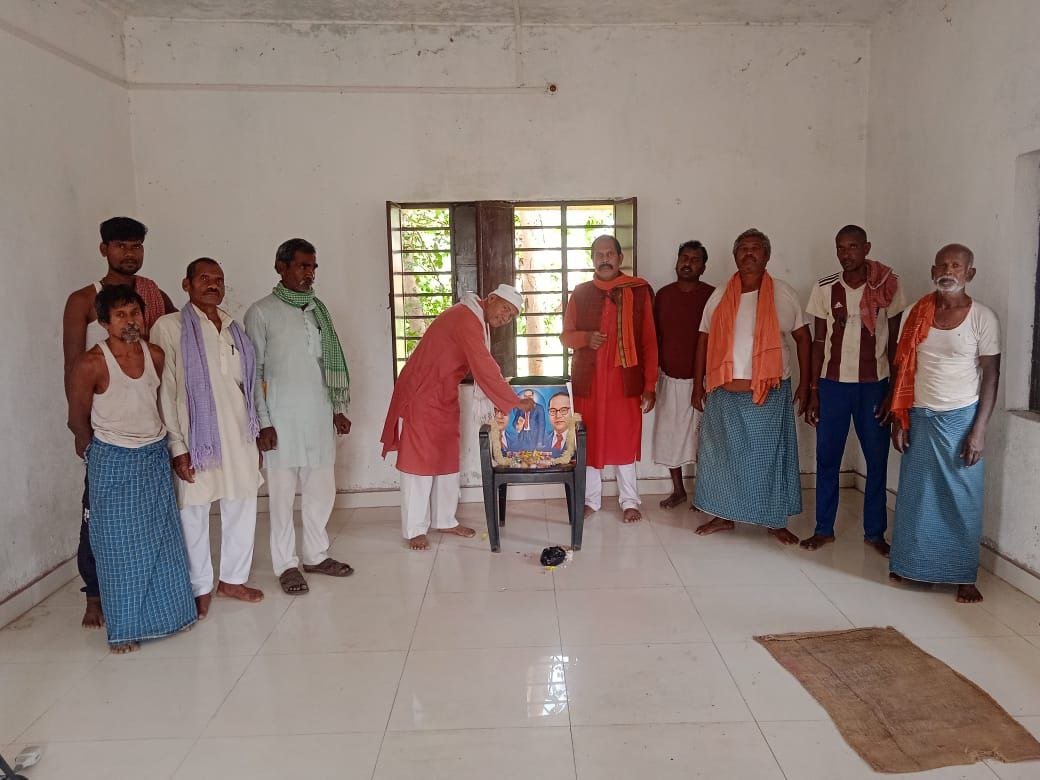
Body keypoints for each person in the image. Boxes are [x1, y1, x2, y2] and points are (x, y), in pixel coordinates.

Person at [66, 285, 196, 653]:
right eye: (120, 315)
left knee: (161, 540)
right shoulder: (92, 362)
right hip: (112, 457)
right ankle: (123, 630)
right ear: (104, 322)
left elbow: (156, 402)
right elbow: (77, 419)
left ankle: (171, 617)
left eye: (135, 313)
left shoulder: (154, 354)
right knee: (118, 547)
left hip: (152, 454)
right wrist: (96, 450)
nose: (129, 321)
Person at [61, 217, 177, 630]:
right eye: (120, 246)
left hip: (150, 426)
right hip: (108, 433)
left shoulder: (153, 294)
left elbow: (174, 344)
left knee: (151, 515)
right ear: (103, 249)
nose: (129, 254)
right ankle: (94, 594)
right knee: (100, 517)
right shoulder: (84, 300)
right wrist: (82, 433)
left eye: (136, 247)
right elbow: (74, 365)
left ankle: (150, 592)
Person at [381, 284, 534, 550]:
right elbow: (484, 366)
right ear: (491, 298)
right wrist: (513, 401)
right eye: (505, 309)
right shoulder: (466, 317)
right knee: (419, 462)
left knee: (446, 455)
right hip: (422, 391)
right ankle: (414, 528)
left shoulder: (476, 319)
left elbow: (483, 363)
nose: (504, 317)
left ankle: (445, 519)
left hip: (443, 392)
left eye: (511, 316)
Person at [152, 258, 265, 619]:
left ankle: (232, 579)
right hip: (196, 436)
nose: (212, 285)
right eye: (204, 278)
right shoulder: (169, 327)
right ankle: (199, 586)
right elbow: (165, 390)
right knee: (195, 511)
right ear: (186, 284)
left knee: (242, 504)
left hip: (239, 434)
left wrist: (259, 430)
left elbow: (247, 386)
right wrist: (176, 445)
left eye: (218, 279)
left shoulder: (234, 329)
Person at [888, 244, 1000, 603]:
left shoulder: (982, 318)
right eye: (942, 265)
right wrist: (900, 419)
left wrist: (979, 430)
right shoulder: (913, 314)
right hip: (919, 415)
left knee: (962, 497)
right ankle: (909, 564)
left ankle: (963, 574)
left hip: (962, 418)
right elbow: (904, 369)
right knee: (916, 496)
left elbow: (992, 377)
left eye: (957, 265)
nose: (948, 270)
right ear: (932, 269)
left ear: (970, 274)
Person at [244, 239, 354, 595]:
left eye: (313, 267)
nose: (309, 274)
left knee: (321, 490)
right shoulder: (261, 312)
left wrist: (338, 410)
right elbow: (254, 373)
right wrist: (264, 422)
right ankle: (286, 564)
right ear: (281, 266)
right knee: (281, 497)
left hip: (319, 415)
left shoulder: (317, 310)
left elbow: (328, 365)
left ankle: (316, 554)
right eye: (303, 266)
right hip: (280, 420)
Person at [692, 228, 811, 544]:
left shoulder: (782, 293)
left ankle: (774, 520)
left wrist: (807, 384)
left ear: (767, 255)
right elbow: (703, 338)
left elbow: (803, 338)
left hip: (767, 394)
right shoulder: (719, 295)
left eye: (755, 249)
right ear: (734, 256)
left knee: (770, 458)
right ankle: (723, 515)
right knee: (721, 457)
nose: (748, 254)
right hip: (724, 392)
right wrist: (697, 385)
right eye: (742, 249)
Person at [802, 225, 906, 555]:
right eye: (841, 248)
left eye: (853, 247)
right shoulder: (824, 288)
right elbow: (818, 343)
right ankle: (823, 529)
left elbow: (896, 343)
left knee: (876, 460)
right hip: (833, 386)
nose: (847, 254)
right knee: (827, 458)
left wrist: (893, 392)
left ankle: (875, 533)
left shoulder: (887, 286)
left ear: (866, 248)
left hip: (874, 386)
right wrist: (814, 391)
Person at [562, 235, 658, 523]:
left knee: (624, 441)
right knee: (589, 442)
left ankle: (630, 501)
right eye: (598, 254)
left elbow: (650, 341)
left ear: (620, 258)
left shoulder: (639, 291)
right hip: (588, 383)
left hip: (625, 382)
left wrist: (650, 385)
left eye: (609, 253)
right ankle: (591, 500)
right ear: (592, 260)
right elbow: (566, 336)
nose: (604, 259)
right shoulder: (580, 293)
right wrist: (584, 338)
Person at [652, 240, 715, 508]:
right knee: (670, 435)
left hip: (704, 380)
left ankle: (704, 494)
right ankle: (678, 490)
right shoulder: (663, 295)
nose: (688, 263)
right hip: (669, 378)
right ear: (677, 261)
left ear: (703, 267)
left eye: (695, 259)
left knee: (705, 440)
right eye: (684, 257)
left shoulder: (714, 295)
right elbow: (653, 337)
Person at [546, 391, 573, 456]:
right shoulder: (543, 439)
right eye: (553, 411)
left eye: (563, 410)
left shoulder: (577, 440)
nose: (558, 416)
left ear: (572, 411)